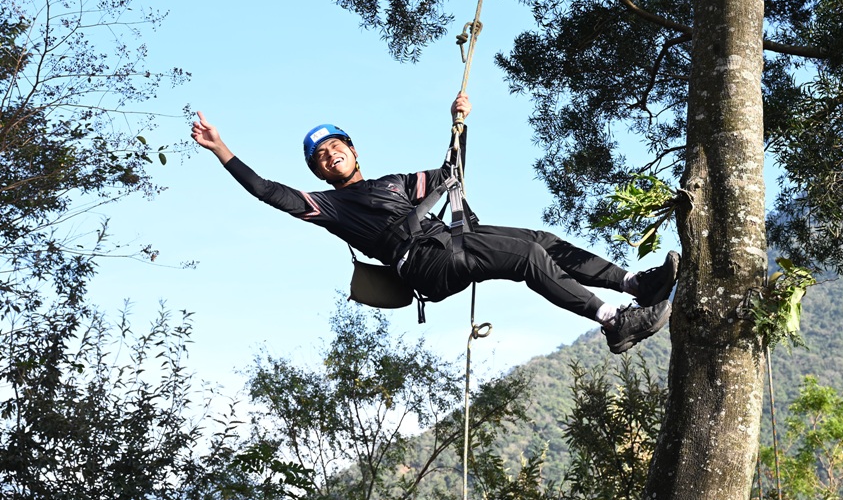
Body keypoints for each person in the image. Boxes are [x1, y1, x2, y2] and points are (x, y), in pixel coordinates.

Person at [191, 93, 679, 353]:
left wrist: (457, 125)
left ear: (353, 149)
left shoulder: (395, 183)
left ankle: (636, 283)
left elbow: (451, 173)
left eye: (336, 145)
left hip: (449, 240)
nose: (331, 154)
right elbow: (265, 191)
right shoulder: (331, 207)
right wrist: (222, 150)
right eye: (321, 155)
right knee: (528, 258)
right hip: (424, 264)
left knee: (540, 240)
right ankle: (615, 322)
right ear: (318, 170)